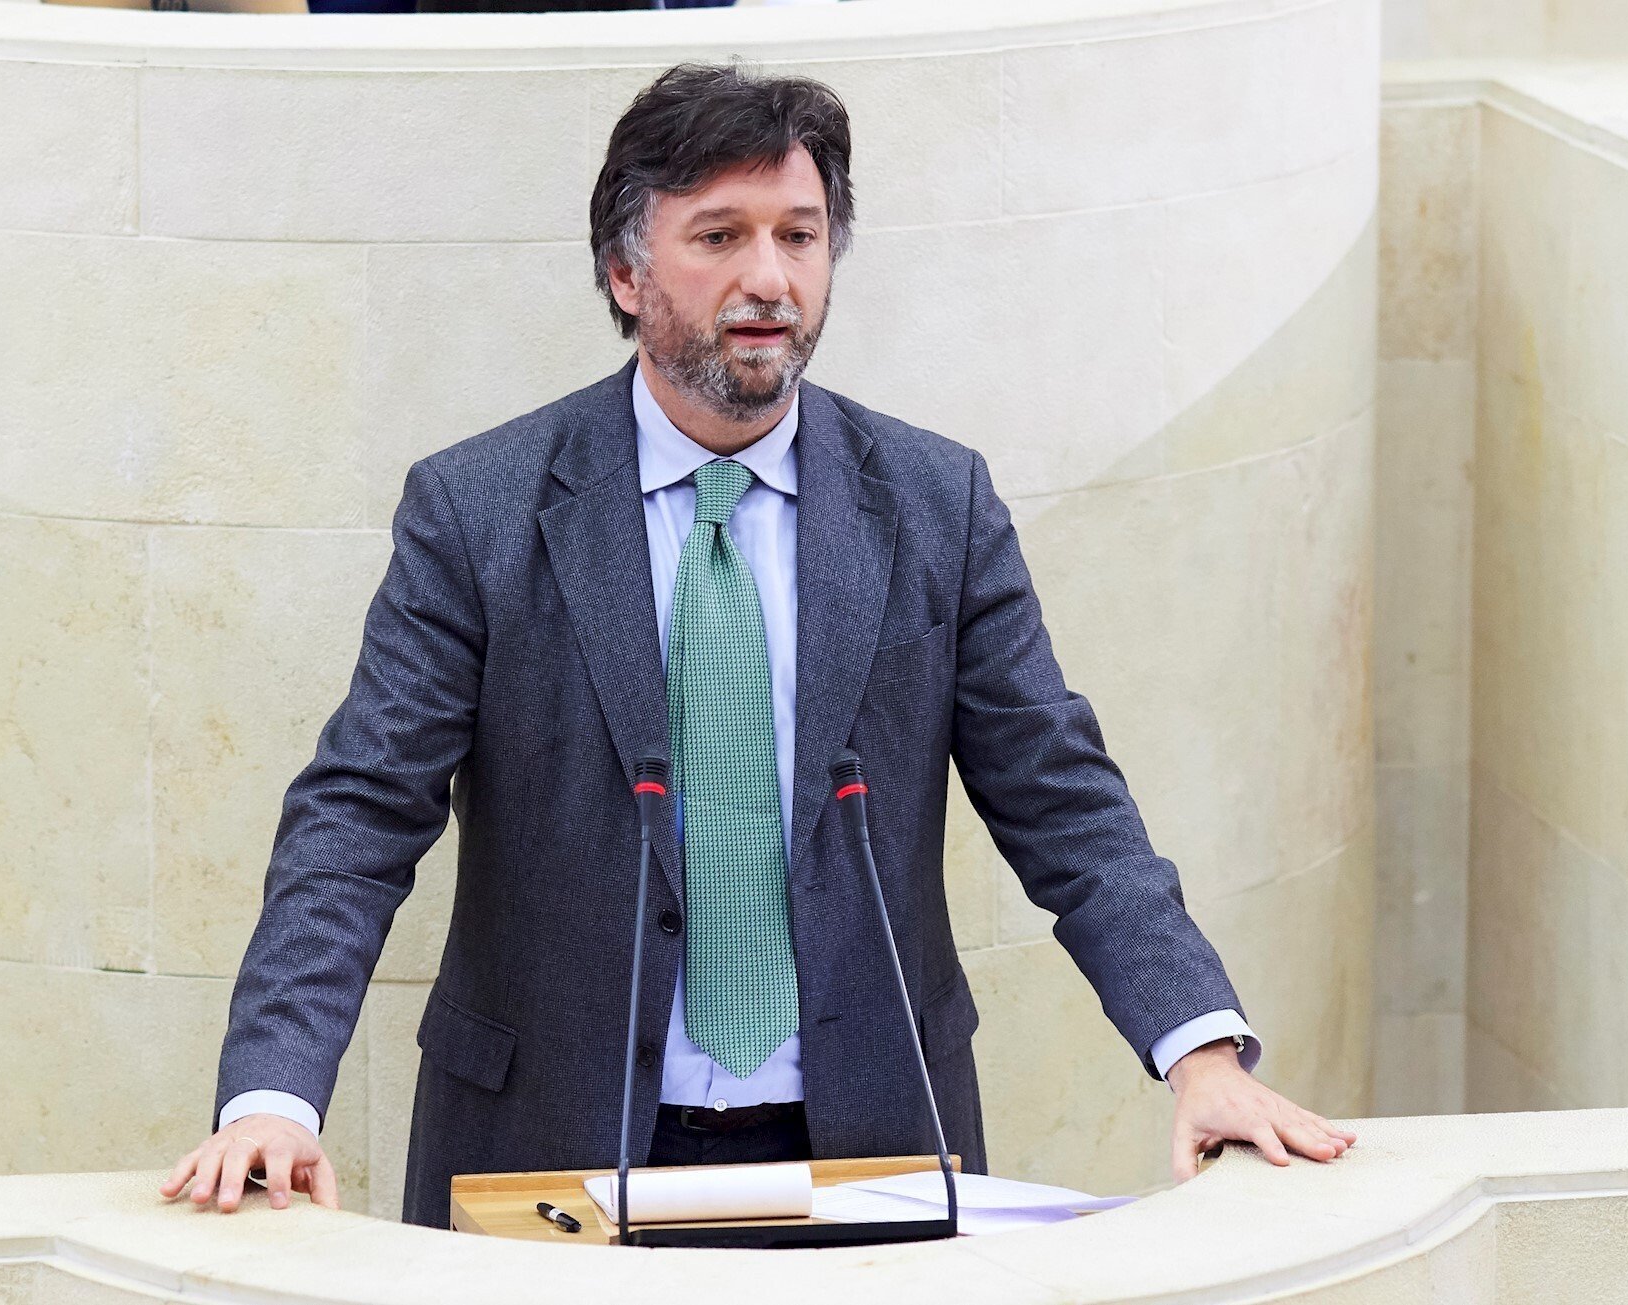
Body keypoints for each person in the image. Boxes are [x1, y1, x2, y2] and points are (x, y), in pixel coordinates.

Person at [161, 62, 1356, 1223]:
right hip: (552, 1144)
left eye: (799, 235)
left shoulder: (935, 505)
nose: (770, 277)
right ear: (625, 272)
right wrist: (275, 1095)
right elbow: (359, 815)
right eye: (720, 236)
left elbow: (1064, 801)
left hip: (871, 1138)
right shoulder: (480, 511)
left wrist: (1201, 1051)